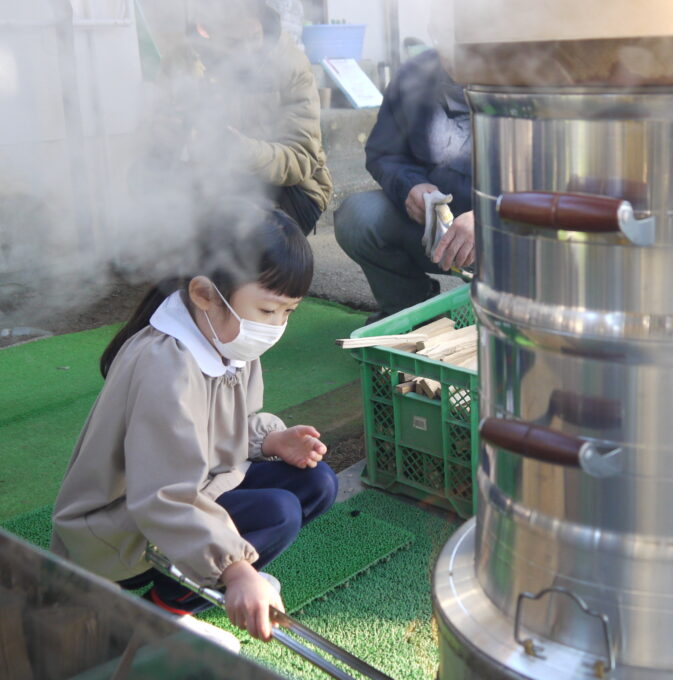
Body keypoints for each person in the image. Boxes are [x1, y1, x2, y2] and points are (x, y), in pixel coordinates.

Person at [51, 206, 337, 647]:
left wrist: (271, 440)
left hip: (190, 488)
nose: (276, 326)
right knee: (278, 513)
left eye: (288, 312)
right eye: (268, 309)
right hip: (119, 531)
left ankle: (191, 590)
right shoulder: (164, 366)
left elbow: (227, 427)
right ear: (205, 294)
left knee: (317, 482)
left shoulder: (227, 335)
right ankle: (160, 615)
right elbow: (161, 495)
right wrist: (235, 568)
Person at [136, 0, 332, 236]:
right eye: (233, 42)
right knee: (146, 177)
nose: (247, 52)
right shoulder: (183, 60)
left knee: (238, 226)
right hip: (210, 180)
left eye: (254, 37)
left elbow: (302, 159)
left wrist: (243, 152)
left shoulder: (289, 63)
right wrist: (167, 133)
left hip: (288, 190)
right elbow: (156, 140)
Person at [334, 49, 473, 323]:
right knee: (359, 216)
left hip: (513, 239)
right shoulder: (415, 74)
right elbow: (385, 153)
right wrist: (411, 186)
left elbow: (556, 189)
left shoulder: (536, 75)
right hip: (435, 232)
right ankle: (413, 314)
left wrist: (493, 217)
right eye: (446, 38)